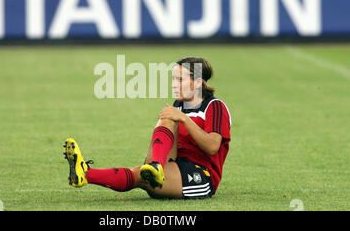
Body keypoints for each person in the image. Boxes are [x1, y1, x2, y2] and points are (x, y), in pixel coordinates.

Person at [63, 56, 231, 199]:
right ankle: (155, 166)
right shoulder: (179, 105)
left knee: (139, 175)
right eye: (173, 79)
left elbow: (212, 147)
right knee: (168, 116)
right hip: (174, 165)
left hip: (201, 175)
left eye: (180, 80)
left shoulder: (215, 107)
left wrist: (184, 119)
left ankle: (87, 174)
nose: (173, 84)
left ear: (198, 83)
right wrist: (177, 116)